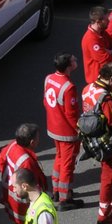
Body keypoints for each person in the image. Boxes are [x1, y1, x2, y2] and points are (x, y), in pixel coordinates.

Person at [80, 60, 112, 224]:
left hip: (91, 140)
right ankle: (103, 217)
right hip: (107, 143)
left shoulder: (88, 88)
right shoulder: (106, 98)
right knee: (109, 180)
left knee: (109, 179)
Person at [42, 53, 83, 208]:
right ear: (68, 67)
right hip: (66, 132)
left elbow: (45, 102)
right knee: (67, 163)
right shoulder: (68, 87)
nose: (75, 61)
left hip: (53, 127)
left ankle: (57, 190)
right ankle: (65, 199)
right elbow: (71, 114)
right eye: (73, 60)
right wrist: (79, 130)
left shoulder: (49, 78)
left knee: (59, 158)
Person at [81, 5, 112, 85]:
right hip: (97, 82)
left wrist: (110, 52)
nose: (109, 21)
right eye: (106, 19)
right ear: (98, 21)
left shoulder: (102, 33)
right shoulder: (91, 39)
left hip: (105, 79)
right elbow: (106, 60)